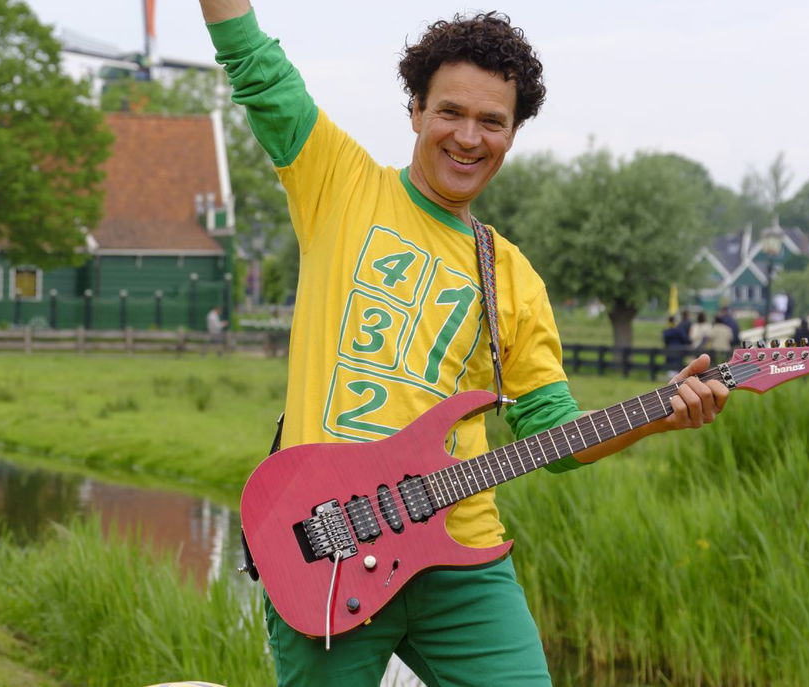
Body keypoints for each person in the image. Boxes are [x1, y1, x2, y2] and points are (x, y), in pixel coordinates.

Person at [200, 3, 729, 684]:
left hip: (461, 556)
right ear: (415, 111)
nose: (468, 137)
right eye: (450, 112)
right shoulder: (338, 183)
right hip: (326, 545)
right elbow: (253, 63)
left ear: (513, 134)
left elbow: (554, 436)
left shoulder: (511, 276)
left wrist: (658, 414)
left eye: (493, 122)